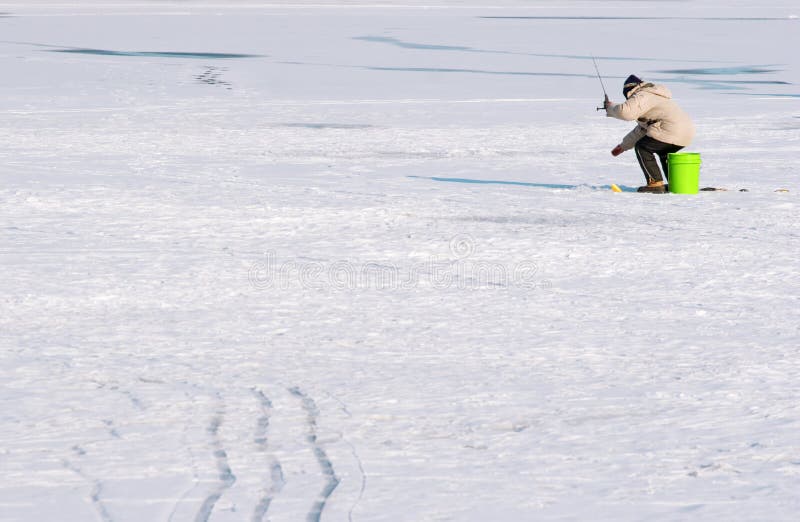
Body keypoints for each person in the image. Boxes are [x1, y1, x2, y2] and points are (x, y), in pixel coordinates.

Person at [605, 75, 695, 193]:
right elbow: (642, 130)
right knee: (663, 152)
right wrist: (623, 146)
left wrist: (610, 107)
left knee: (642, 147)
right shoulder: (652, 96)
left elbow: (625, 112)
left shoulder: (643, 95)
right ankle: (676, 184)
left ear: (630, 91)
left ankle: (655, 183)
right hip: (683, 133)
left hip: (670, 130)